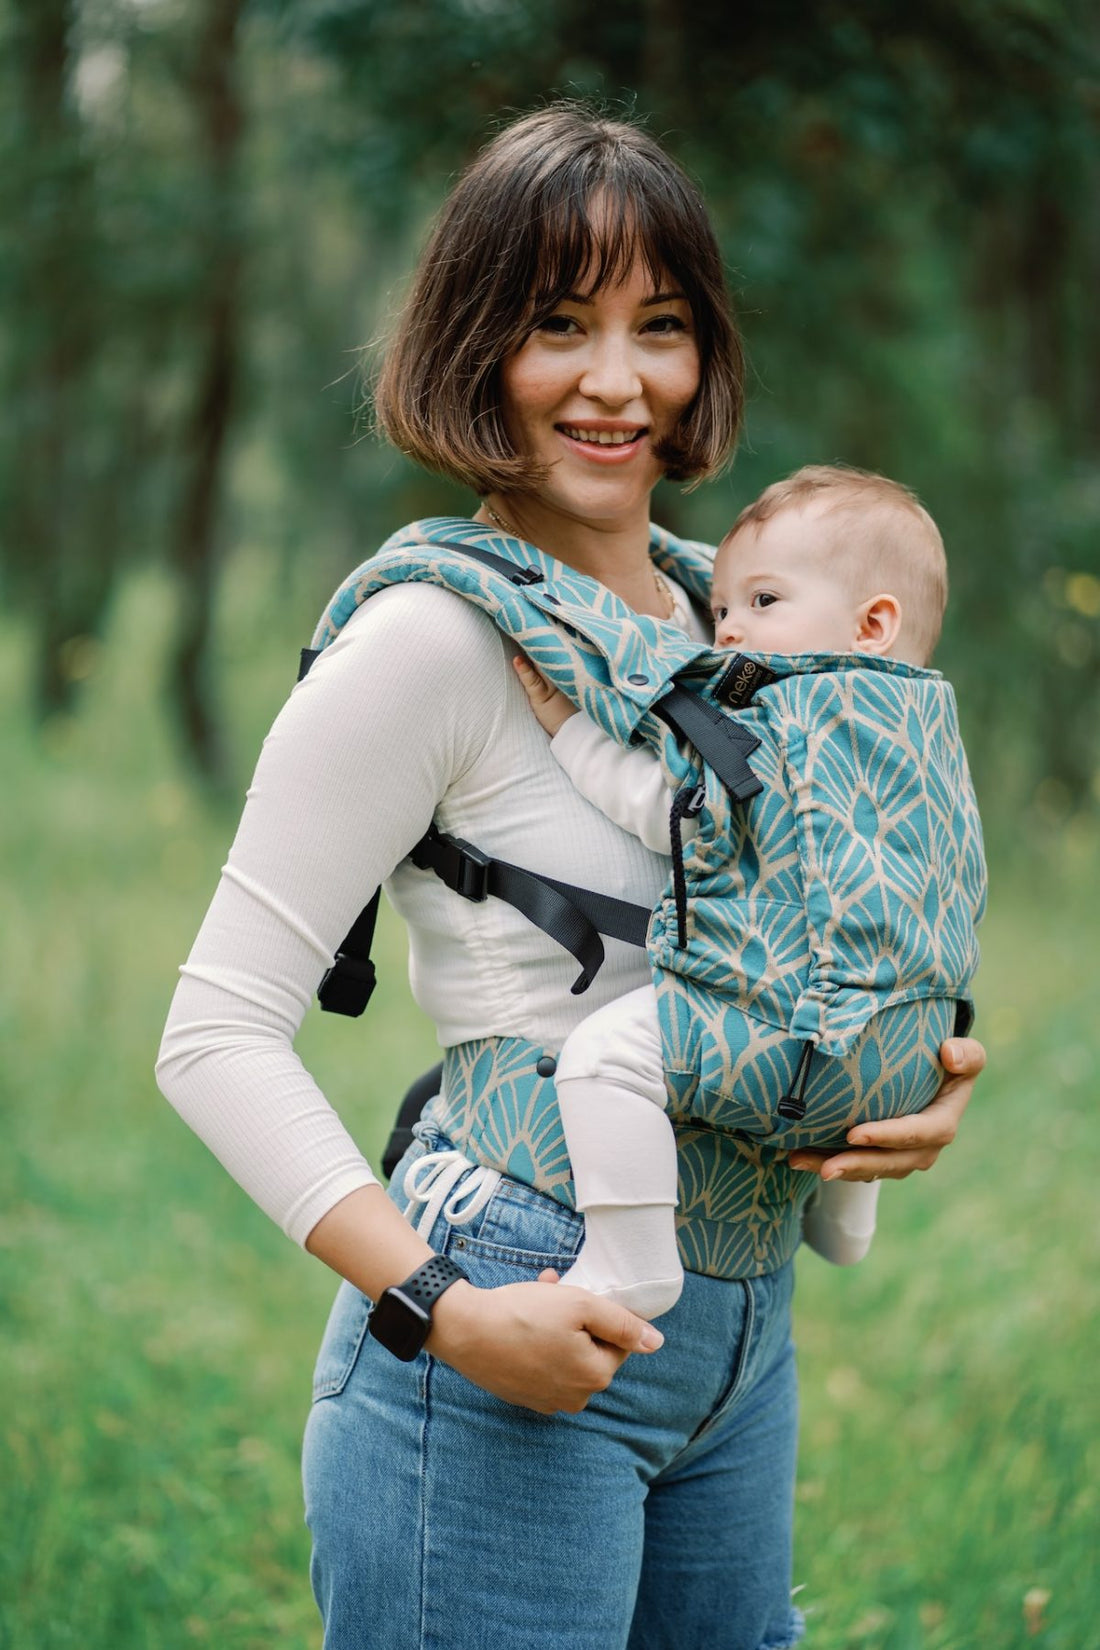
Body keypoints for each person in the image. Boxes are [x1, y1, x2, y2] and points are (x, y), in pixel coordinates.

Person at [156, 105, 987, 1650]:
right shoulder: (431, 642)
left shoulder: (736, 618)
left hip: (737, 1337)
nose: (619, 381)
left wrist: (910, 1077)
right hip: (502, 1317)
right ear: (478, 348)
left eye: (658, 327)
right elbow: (210, 1035)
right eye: (559, 325)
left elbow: (827, 907)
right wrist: (447, 1317)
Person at [513, 464, 985, 1320]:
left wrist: (571, 731)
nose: (728, 631)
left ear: (874, 623)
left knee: (602, 1059)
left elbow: (673, 810)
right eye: (724, 608)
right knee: (851, 1057)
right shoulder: (929, 731)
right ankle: (844, 1222)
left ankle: (631, 1263)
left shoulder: (780, 712)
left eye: (762, 603)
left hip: (788, 1038)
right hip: (917, 1051)